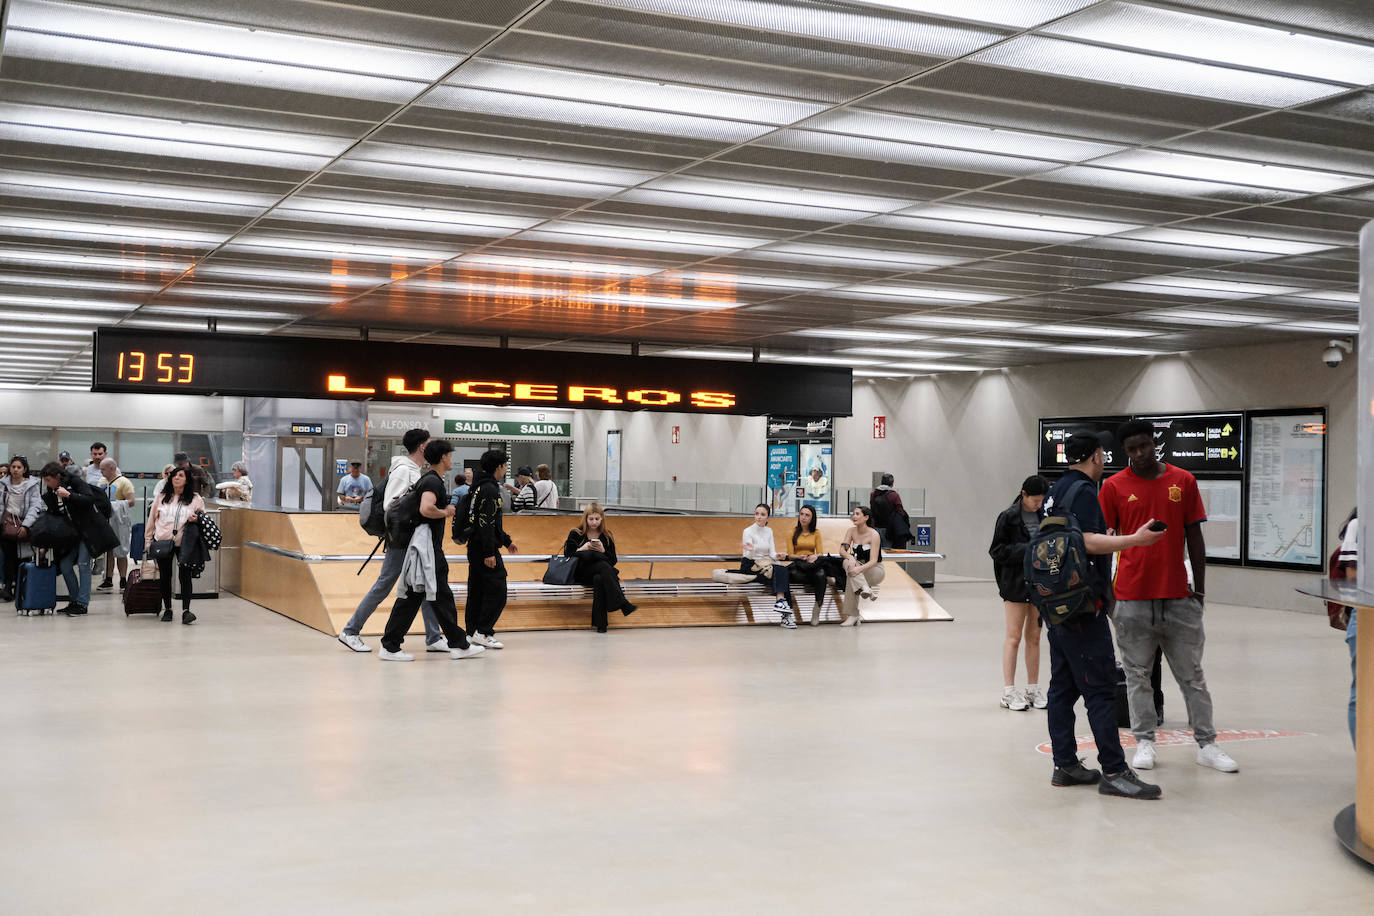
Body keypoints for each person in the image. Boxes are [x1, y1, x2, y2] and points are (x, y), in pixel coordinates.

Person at [1100, 419, 1238, 775]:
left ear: (1154, 443)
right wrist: (1108, 597)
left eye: (1144, 446)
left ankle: (1207, 744)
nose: (1139, 454)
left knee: (1192, 676)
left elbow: (1195, 537)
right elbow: (1102, 543)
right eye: (1131, 449)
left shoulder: (1183, 481)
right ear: (1124, 452)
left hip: (1178, 596)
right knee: (1137, 675)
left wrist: (1201, 590)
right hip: (1131, 599)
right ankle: (1144, 741)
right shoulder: (1113, 487)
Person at [1041, 431, 1165, 799]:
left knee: (1062, 689)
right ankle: (1114, 770)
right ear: (1096, 457)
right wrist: (1135, 540)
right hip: (1082, 606)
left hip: (1055, 604)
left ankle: (1065, 765)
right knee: (1099, 691)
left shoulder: (1054, 491)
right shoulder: (1084, 491)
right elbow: (1089, 541)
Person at [338, 429, 448, 654]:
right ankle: (350, 631)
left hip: (411, 537)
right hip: (402, 539)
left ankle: (434, 637)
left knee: (426, 584)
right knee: (385, 584)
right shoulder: (403, 471)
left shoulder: (415, 471)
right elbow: (392, 506)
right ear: (422, 447)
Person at [377, 439, 485, 662]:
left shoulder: (429, 479)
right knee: (438, 595)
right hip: (426, 548)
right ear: (444, 457)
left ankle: (392, 644)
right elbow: (426, 508)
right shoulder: (433, 482)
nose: (451, 459)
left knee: (417, 596)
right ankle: (458, 645)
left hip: (423, 546)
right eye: (450, 455)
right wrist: (445, 512)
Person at [988, 475, 1050, 711]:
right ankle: (1008, 691)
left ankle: (1032, 689)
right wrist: (1030, 549)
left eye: (1041, 501)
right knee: (1013, 637)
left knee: (1034, 638)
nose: (1038, 505)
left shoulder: (1046, 515)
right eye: (1035, 500)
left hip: (1039, 584)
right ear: (1023, 494)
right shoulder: (1008, 517)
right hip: (1014, 583)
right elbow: (996, 550)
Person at [38, 460, 118, 617]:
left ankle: (82, 603)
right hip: (72, 534)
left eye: (49, 480)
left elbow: (89, 499)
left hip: (89, 530)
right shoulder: (51, 491)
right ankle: (73, 601)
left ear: (58, 476)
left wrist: (69, 495)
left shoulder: (75, 482)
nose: (47, 484)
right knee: (65, 565)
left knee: (83, 564)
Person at [466, 449, 519, 649]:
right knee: (498, 589)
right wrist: (490, 551)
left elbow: (490, 520)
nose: (506, 469)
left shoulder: (479, 486)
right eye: (505, 465)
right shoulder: (489, 489)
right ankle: (484, 630)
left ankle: (472, 632)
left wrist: (505, 540)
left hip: (476, 545)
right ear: (499, 467)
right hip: (483, 548)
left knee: (478, 590)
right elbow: (486, 521)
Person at [562, 503, 636, 632]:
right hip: (581, 573)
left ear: (602, 519)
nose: (594, 522)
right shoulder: (576, 533)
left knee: (599, 579)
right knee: (603, 567)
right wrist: (582, 549)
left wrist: (602, 551)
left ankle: (601, 625)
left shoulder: (606, 536)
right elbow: (567, 556)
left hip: (601, 574)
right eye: (591, 519)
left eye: (597, 519)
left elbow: (613, 560)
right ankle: (622, 603)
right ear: (585, 519)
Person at [145, 466, 204, 624]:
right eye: (174, 475)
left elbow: (202, 519)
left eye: (180, 475)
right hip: (163, 541)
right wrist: (148, 540)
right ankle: (168, 609)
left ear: (186, 479)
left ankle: (186, 610)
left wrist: (196, 519)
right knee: (165, 576)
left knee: (185, 576)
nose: (176, 478)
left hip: (185, 543)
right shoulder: (161, 496)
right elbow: (152, 520)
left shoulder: (196, 498)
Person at [739, 502, 796, 629]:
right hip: (750, 565)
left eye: (762, 514)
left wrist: (778, 556)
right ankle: (785, 615)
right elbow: (747, 555)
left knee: (782, 572)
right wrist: (751, 549)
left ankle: (781, 604)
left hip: (764, 565)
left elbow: (772, 553)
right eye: (756, 514)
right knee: (781, 574)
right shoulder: (747, 531)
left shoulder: (769, 531)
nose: (759, 517)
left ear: (767, 518)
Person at [782, 505, 838, 626]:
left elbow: (820, 552)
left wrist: (815, 556)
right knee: (793, 574)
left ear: (812, 518)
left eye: (807, 515)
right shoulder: (791, 532)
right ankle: (788, 612)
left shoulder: (816, 533)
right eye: (802, 514)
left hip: (812, 564)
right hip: (798, 564)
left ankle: (816, 610)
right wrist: (801, 556)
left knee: (821, 574)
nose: (803, 517)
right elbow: (791, 555)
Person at [0, 456, 41, 603]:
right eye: (13, 467)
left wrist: (26, 525)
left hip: (24, 525)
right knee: (8, 557)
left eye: (19, 467)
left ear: (24, 469)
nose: (15, 470)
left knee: (23, 557)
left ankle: (21, 587)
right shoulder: (3, 484)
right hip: (6, 526)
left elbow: (35, 506)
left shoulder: (32, 485)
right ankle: (8, 586)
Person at [838, 506, 884, 626]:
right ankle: (865, 588)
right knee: (847, 563)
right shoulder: (851, 531)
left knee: (851, 573)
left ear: (866, 517)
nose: (854, 516)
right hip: (856, 566)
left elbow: (874, 560)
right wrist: (851, 557)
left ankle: (853, 615)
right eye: (853, 514)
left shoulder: (874, 534)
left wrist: (859, 569)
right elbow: (842, 551)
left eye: (857, 514)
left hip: (874, 569)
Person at [96, 457, 135, 592]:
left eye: (103, 469)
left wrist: (112, 505)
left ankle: (123, 579)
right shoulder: (101, 482)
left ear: (111, 468)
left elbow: (131, 501)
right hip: (104, 520)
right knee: (108, 550)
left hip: (119, 520)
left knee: (121, 550)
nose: (100, 472)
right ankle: (108, 578)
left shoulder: (124, 482)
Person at [1337, 509, 1359, 746]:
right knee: (1363, 691)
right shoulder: (1358, 525)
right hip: (1365, 617)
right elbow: (1353, 576)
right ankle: (1365, 761)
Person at [869, 473, 910, 548]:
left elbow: (872, 509)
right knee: (888, 553)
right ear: (892, 484)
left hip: (875, 528)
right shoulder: (894, 495)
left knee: (876, 552)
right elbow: (900, 511)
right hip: (889, 529)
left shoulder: (873, 494)